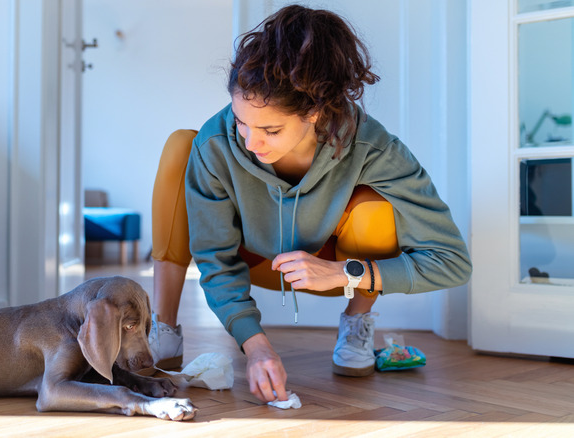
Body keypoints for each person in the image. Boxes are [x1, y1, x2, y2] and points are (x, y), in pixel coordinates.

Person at [147, 5, 472, 404]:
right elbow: (214, 259)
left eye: (270, 129)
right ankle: (163, 328)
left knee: (375, 205)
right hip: (248, 255)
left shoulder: (373, 147)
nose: (250, 142)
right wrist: (256, 345)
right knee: (183, 145)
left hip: (327, 269)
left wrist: (344, 272)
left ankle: (356, 325)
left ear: (315, 111)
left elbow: (453, 262)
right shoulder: (216, 143)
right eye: (241, 121)